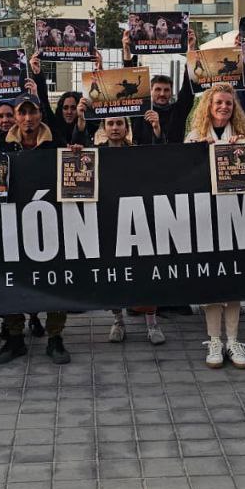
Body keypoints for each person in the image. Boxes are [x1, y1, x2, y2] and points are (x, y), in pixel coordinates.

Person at [0, 93, 77, 364]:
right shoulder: (1, 149)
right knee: (11, 280)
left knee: (57, 281)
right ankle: (15, 337)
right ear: (16, 117)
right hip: (13, 228)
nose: (28, 119)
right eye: (22, 113)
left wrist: (78, 157)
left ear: (41, 114)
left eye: (33, 113)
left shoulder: (57, 144)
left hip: (52, 226)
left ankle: (55, 338)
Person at [184, 83, 245, 369]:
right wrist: (201, 153)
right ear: (209, 107)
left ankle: (233, 340)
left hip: (236, 213)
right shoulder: (195, 136)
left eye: (228, 103)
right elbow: (184, 175)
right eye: (218, 103)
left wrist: (242, 149)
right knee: (213, 278)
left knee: (234, 277)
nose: (224, 107)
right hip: (206, 215)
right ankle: (214, 339)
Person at [94, 117, 165, 346]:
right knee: (113, 273)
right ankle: (118, 321)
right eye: (110, 124)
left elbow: (160, 163)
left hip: (138, 220)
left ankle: (152, 323)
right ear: (104, 128)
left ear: (127, 127)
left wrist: (156, 131)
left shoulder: (138, 151)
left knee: (145, 271)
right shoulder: (95, 153)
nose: (115, 128)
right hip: (108, 220)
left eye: (119, 124)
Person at [123, 29, 196, 144]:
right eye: (158, 89)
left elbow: (188, 85)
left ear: (172, 92)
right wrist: (127, 50)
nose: (162, 94)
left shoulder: (178, 111)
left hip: (173, 158)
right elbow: (129, 78)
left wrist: (191, 50)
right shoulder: (140, 111)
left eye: (166, 90)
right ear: (150, 90)